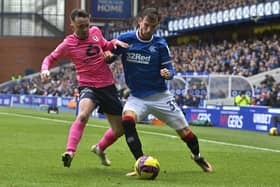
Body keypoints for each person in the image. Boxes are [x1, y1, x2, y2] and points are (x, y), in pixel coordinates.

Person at [111, 8, 213, 175]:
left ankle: (197, 156)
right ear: (139, 21)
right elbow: (110, 54)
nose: (148, 30)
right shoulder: (125, 39)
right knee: (127, 120)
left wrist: (168, 73)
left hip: (161, 97)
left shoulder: (160, 44)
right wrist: (107, 55)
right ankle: (140, 163)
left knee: (185, 132)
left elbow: (170, 70)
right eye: (146, 25)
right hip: (137, 97)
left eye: (153, 27)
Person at [41, 9, 128, 168]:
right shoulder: (68, 43)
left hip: (107, 86)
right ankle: (70, 152)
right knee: (82, 116)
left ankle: (100, 148)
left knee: (119, 130)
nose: (84, 29)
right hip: (88, 86)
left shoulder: (95, 32)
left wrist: (113, 45)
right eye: (80, 26)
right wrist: (45, 69)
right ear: (72, 25)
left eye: (87, 25)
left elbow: (105, 45)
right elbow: (49, 58)